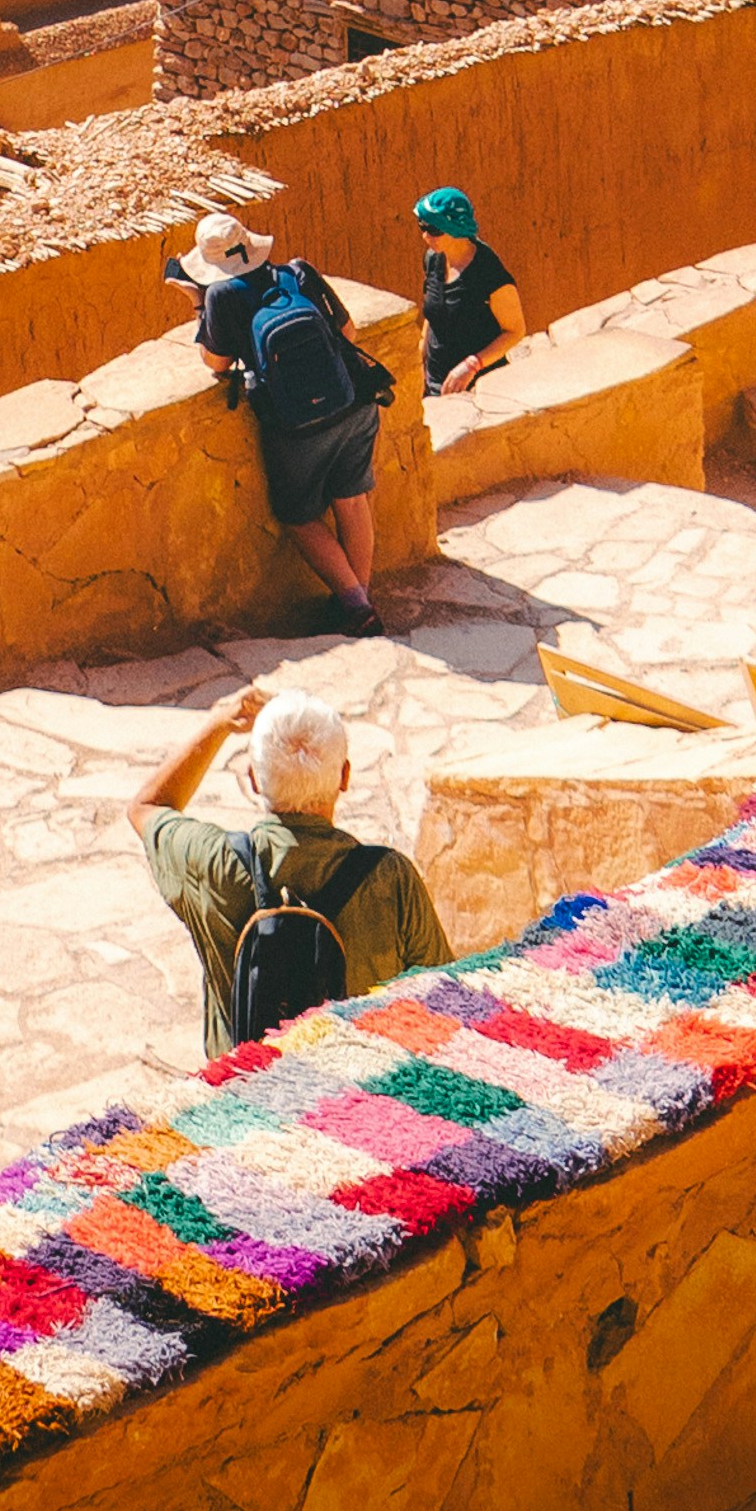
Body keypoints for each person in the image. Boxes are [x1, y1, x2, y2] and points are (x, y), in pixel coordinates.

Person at [126, 682, 450, 1056]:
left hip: (245, 1087)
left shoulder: (212, 862)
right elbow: (444, 995)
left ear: (253, 779)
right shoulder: (392, 878)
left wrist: (220, 723)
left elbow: (146, 807)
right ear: (344, 777)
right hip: (358, 1086)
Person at [170, 209, 386, 629]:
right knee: (351, 499)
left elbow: (216, 362)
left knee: (298, 516)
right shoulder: (297, 272)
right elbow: (349, 333)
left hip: (297, 424)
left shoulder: (221, 296)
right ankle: (359, 602)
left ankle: (358, 608)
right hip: (352, 403)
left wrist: (198, 303)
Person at [413, 183, 526, 396]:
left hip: (479, 388)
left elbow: (515, 331)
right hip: (436, 384)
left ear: (455, 228)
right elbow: (433, 313)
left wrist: (471, 365)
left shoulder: (489, 273)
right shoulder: (432, 259)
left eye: (434, 230)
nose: (425, 236)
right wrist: (420, 357)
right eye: (422, 227)